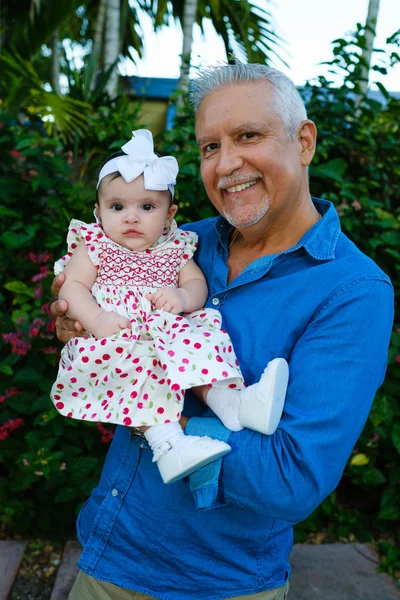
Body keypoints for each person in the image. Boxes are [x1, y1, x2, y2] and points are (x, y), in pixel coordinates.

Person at [51, 64, 394, 600]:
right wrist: (78, 325)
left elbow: (290, 479)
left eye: (247, 136)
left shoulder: (352, 291)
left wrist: (156, 412)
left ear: (304, 142)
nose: (226, 164)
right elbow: (86, 307)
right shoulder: (178, 242)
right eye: (209, 146)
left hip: (219, 584)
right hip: (107, 553)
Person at [50, 128, 289, 485]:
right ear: (98, 212)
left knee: (197, 344)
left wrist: (180, 298)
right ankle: (168, 445)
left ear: (169, 213)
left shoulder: (174, 247)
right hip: (116, 332)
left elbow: (196, 285)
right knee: (142, 371)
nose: (131, 217)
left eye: (147, 207)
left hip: (164, 327)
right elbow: (73, 286)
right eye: (117, 207)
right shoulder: (95, 245)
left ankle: (235, 404)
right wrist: (95, 318)